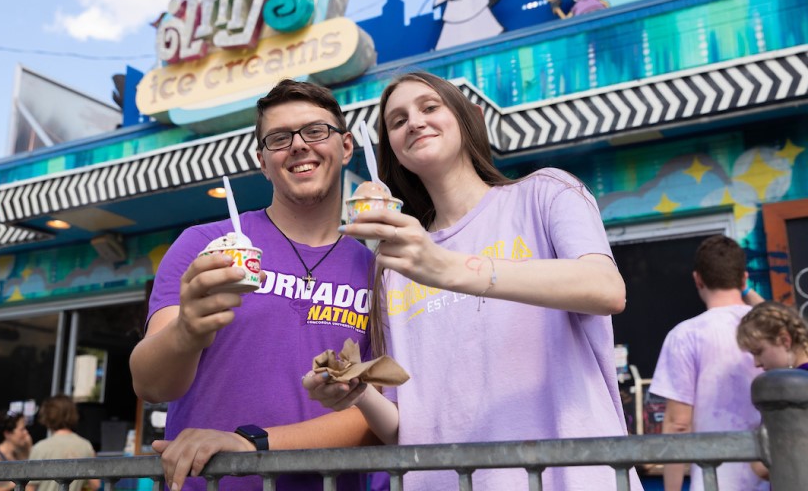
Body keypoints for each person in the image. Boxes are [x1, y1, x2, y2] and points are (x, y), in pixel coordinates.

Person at [303, 71, 642, 490]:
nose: (414, 122)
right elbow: (405, 429)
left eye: (430, 107)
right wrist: (357, 391)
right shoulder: (394, 262)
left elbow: (606, 288)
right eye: (397, 120)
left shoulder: (546, 193)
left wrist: (451, 268)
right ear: (393, 147)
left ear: (469, 118)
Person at [129, 79, 379, 491]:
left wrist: (252, 445)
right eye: (279, 138)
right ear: (262, 161)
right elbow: (151, 384)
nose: (299, 145)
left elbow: (380, 415)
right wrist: (187, 331)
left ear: (346, 146)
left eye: (316, 131)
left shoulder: (378, 270)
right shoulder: (204, 245)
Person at [650, 235, 769, 491]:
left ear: (697, 279)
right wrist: (745, 289)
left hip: (713, 483)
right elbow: (782, 316)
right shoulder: (769, 329)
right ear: (744, 279)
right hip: (775, 479)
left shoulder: (684, 335)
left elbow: (678, 424)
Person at [737, 300, 808, 480]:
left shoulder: (784, 389)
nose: (757, 363)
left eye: (758, 351)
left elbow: (763, 466)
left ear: (785, 340)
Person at [28, 395, 101, 491]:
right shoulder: (85, 445)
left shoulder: (40, 448)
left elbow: (29, 488)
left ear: (47, 416)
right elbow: (95, 485)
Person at [0, 410, 32, 491]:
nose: (26, 432)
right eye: (22, 429)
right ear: (7, 433)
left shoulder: (18, 455)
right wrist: (13, 485)